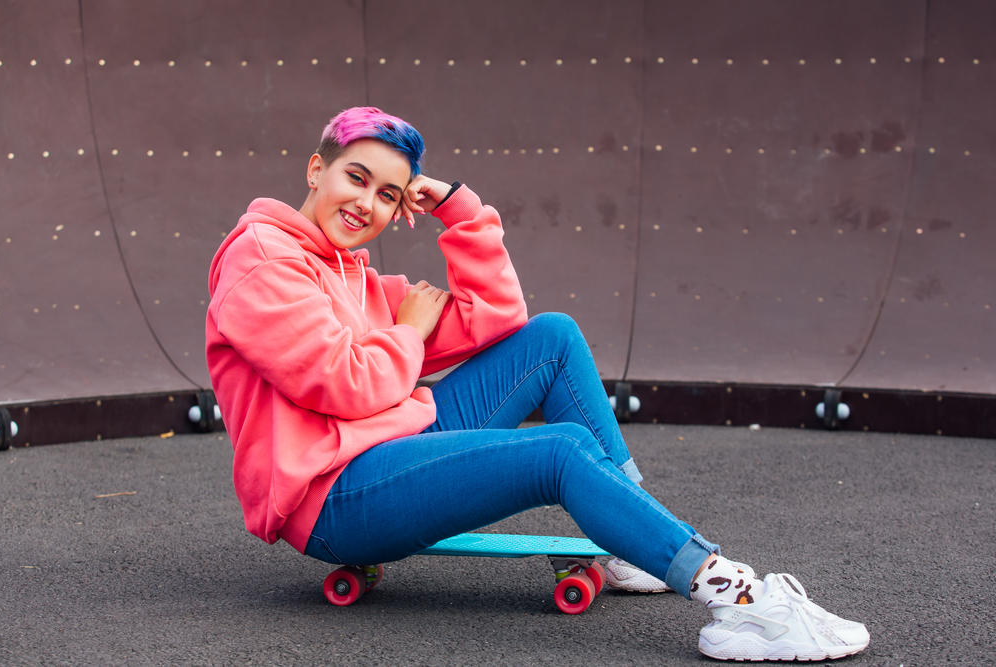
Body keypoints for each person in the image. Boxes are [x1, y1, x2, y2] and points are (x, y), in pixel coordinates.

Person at [205, 107, 869, 661]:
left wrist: (456, 210)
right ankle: (739, 597)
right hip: (333, 496)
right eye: (357, 176)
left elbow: (495, 319)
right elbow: (344, 383)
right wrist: (406, 332)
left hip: (385, 441)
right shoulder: (262, 261)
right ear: (316, 169)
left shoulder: (349, 273)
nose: (368, 204)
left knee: (552, 337)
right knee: (560, 449)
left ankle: (634, 537)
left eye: (388, 193)